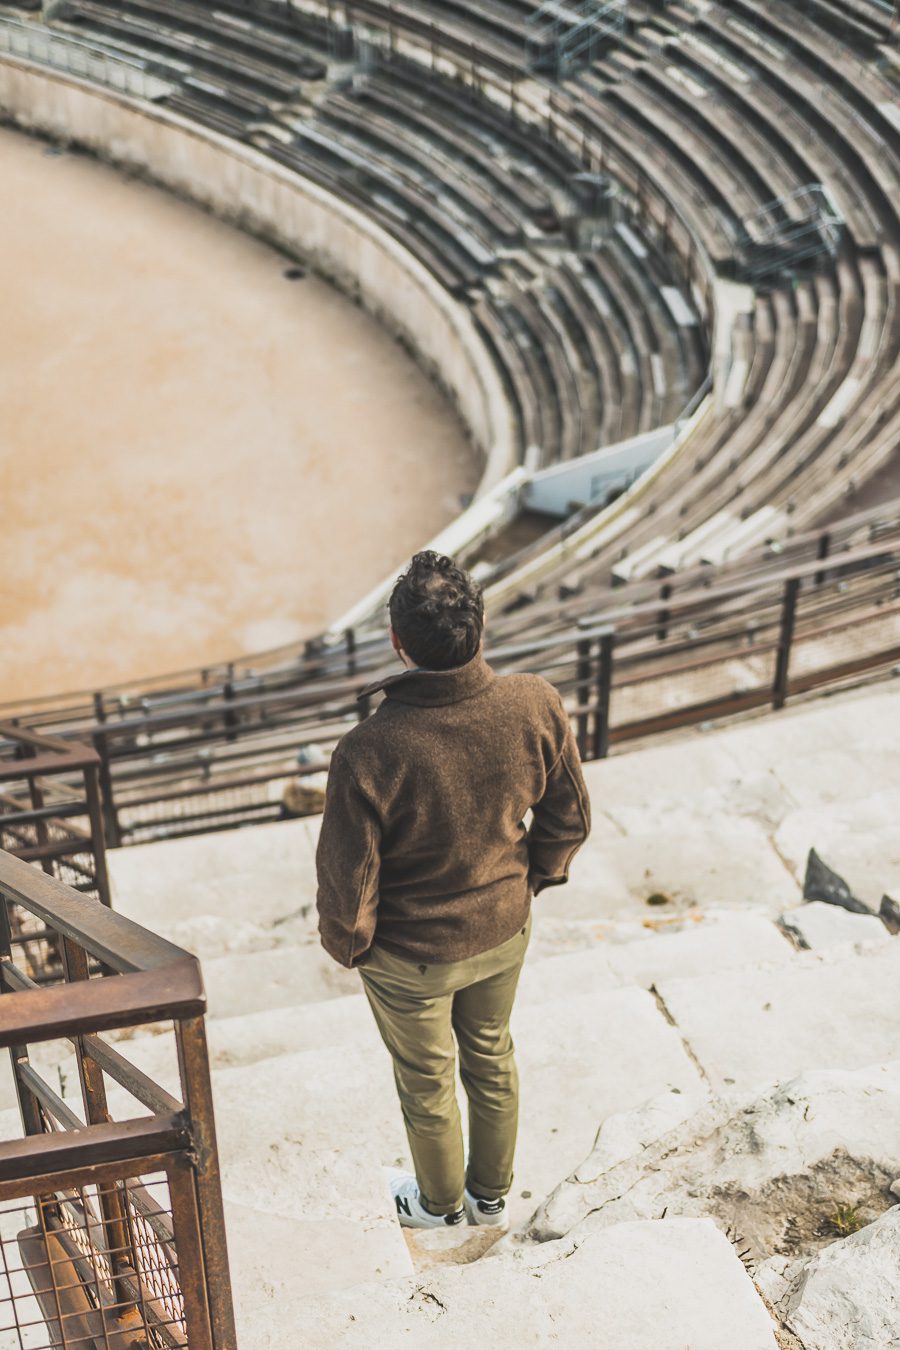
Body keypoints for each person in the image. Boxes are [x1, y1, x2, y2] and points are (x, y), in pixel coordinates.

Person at [315, 551, 591, 1230]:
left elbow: (349, 880)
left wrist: (351, 946)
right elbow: (570, 816)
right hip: (502, 926)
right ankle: (489, 1199)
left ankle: (439, 1208)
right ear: (480, 626)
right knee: (492, 1056)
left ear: (398, 642)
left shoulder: (369, 749)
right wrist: (534, 878)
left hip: (412, 955)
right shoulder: (535, 703)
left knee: (427, 1084)